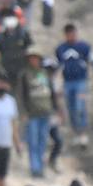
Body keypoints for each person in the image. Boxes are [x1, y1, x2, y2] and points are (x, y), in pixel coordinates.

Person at [54, 24, 93, 146]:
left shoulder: (84, 47)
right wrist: (56, 85)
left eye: (73, 33)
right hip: (67, 82)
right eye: (69, 33)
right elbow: (56, 68)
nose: (71, 36)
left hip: (81, 81)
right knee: (71, 108)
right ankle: (77, 132)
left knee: (80, 107)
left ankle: (83, 133)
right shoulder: (60, 49)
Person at [17, 48, 57, 178]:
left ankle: (40, 166)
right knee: (32, 141)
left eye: (36, 58)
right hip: (32, 113)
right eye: (32, 58)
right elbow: (21, 95)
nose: (34, 60)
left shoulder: (45, 74)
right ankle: (35, 168)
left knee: (43, 141)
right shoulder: (25, 75)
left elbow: (52, 93)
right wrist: (23, 111)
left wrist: (55, 109)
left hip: (46, 111)